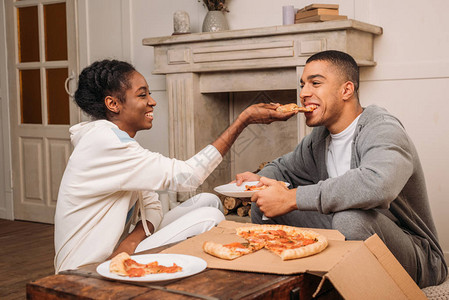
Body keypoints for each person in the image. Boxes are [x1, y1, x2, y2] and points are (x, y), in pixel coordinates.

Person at [54, 59, 296, 273]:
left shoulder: (119, 141)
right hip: (85, 268)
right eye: (142, 95)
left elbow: (152, 205)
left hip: (119, 250)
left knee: (208, 201)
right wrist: (243, 121)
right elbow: (187, 176)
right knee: (210, 215)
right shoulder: (104, 142)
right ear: (113, 104)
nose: (152, 101)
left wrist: (130, 243)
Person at [235, 50, 447, 288]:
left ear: (346, 90)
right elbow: (283, 169)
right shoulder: (320, 138)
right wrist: (259, 181)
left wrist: (292, 198)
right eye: (303, 84)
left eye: (315, 83)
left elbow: (378, 184)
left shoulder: (383, 128)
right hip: (352, 233)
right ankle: (287, 284)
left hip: (417, 255)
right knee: (264, 202)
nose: (304, 93)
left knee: (351, 220)